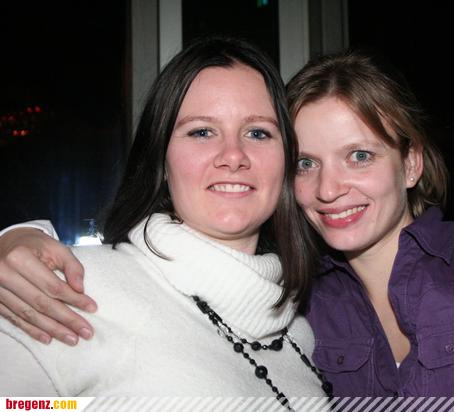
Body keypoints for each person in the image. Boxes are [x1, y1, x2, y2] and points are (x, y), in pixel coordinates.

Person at [1, 50, 454, 398]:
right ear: (161, 158)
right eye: (308, 162)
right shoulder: (72, 294)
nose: (329, 188)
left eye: (360, 155)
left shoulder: (296, 321)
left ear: (411, 163)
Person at [0, 36, 331, 405]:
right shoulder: (72, 292)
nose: (233, 155)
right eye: (201, 132)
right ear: (161, 158)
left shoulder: (301, 334)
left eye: (258, 133)